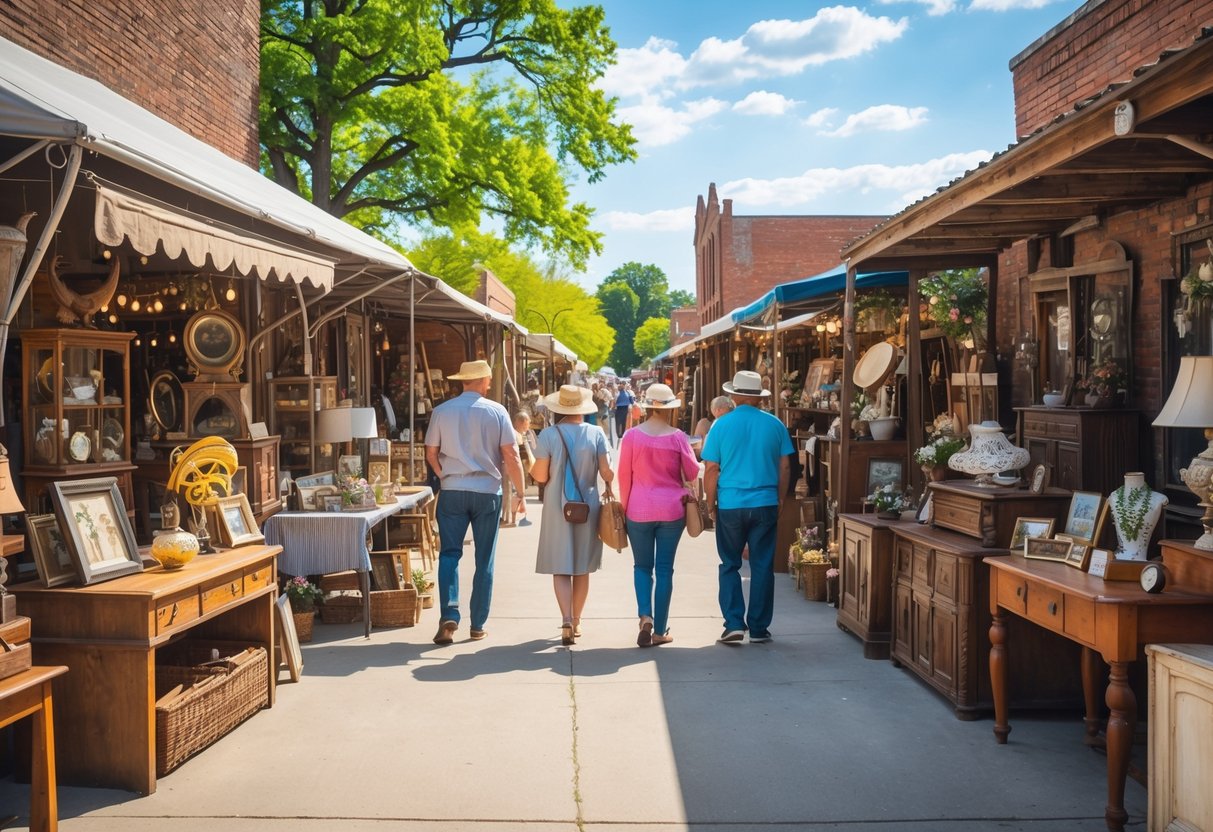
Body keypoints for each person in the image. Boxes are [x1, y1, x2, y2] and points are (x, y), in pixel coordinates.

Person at [425, 360, 527, 645]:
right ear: (483, 381)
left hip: (453, 490)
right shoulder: (497, 411)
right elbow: (511, 455)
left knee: (449, 554)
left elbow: (431, 451)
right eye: (488, 380)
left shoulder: (442, 411)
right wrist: (520, 492)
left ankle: (450, 613)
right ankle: (478, 624)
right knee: (485, 559)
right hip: (486, 491)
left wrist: (443, 474)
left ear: (462, 382)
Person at [701, 370, 793, 645]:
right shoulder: (775, 424)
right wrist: (780, 498)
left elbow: (711, 469)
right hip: (765, 501)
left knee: (729, 563)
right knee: (762, 565)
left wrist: (710, 503)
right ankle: (759, 627)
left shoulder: (721, 425)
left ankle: (733, 624)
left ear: (734, 395)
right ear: (757, 397)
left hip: (730, 503)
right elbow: (785, 465)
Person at [616, 383, 700, 647]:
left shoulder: (631, 436)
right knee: (665, 570)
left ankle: (645, 616)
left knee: (642, 567)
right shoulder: (677, 437)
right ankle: (660, 630)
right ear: (670, 408)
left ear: (648, 406)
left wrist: (625, 507)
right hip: (671, 510)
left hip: (638, 509)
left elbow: (623, 476)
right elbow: (693, 471)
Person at [530, 385, 613, 645]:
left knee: (561, 565)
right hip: (588, 506)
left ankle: (565, 618)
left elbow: (541, 476)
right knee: (582, 567)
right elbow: (607, 472)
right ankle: (577, 621)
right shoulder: (596, 433)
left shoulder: (548, 435)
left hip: (557, 506)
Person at [613, 381, 635, 445]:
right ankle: (619, 435)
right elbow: (614, 400)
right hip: (620, 409)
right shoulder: (618, 392)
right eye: (622, 384)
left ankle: (621, 435)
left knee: (622, 422)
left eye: (624, 384)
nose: (622, 386)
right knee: (619, 422)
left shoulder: (628, 392)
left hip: (625, 409)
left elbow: (632, 401)